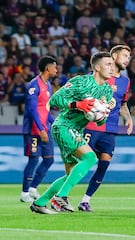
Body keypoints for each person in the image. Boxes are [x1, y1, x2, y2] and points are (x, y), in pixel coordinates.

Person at [30, 51, 113, 214]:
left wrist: (103, 114)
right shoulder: (81, 82)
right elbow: (54, 100)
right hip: (63, 126)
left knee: (70, 173)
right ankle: (61, 198)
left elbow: (99, 121)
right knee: (90, 158)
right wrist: (78, 104)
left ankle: (40, 203)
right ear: (97, 67)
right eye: (108, 64)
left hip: (76, 130)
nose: (112, 68)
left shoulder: (107, 91)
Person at [78, 45, 133, 212]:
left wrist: (129, 119)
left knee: (104, 164)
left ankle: (85, 201)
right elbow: (82, 94)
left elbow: (122, 104)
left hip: (110, 130)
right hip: (91, 126)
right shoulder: (97, 75)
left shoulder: (125, 81)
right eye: (124, 56)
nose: (127, 60)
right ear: (114, 56)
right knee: (79, 164)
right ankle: (62, 195)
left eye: (129, 57)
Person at [20, 56, 57, 203]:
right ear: (47, 68)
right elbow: (31, 109)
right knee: (33, 160)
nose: (56, 69)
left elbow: (45, 110)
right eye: (54, 66)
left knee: (49, 160)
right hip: (33, 130)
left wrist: (54, 124)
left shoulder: (47, 85)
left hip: (44, 129)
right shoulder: (33, 85)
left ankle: (33, 188)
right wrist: (41, 129)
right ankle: (24, 193)